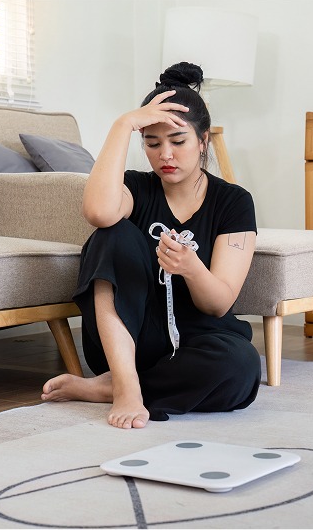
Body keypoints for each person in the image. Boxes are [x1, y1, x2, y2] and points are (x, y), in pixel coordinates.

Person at [41, 62, 260, 429]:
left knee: (240, 367)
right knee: (112, 232)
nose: (166, 155)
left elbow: (218, 302)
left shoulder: (233, 202)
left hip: (196, 339)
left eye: (178, 142)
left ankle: (107, 389)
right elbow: (97, 211)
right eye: (152, 143)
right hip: (129, 339)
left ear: (203, 141)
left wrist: (191, 268)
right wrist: (123, 124)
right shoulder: (135, 188)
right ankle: (125, 384)